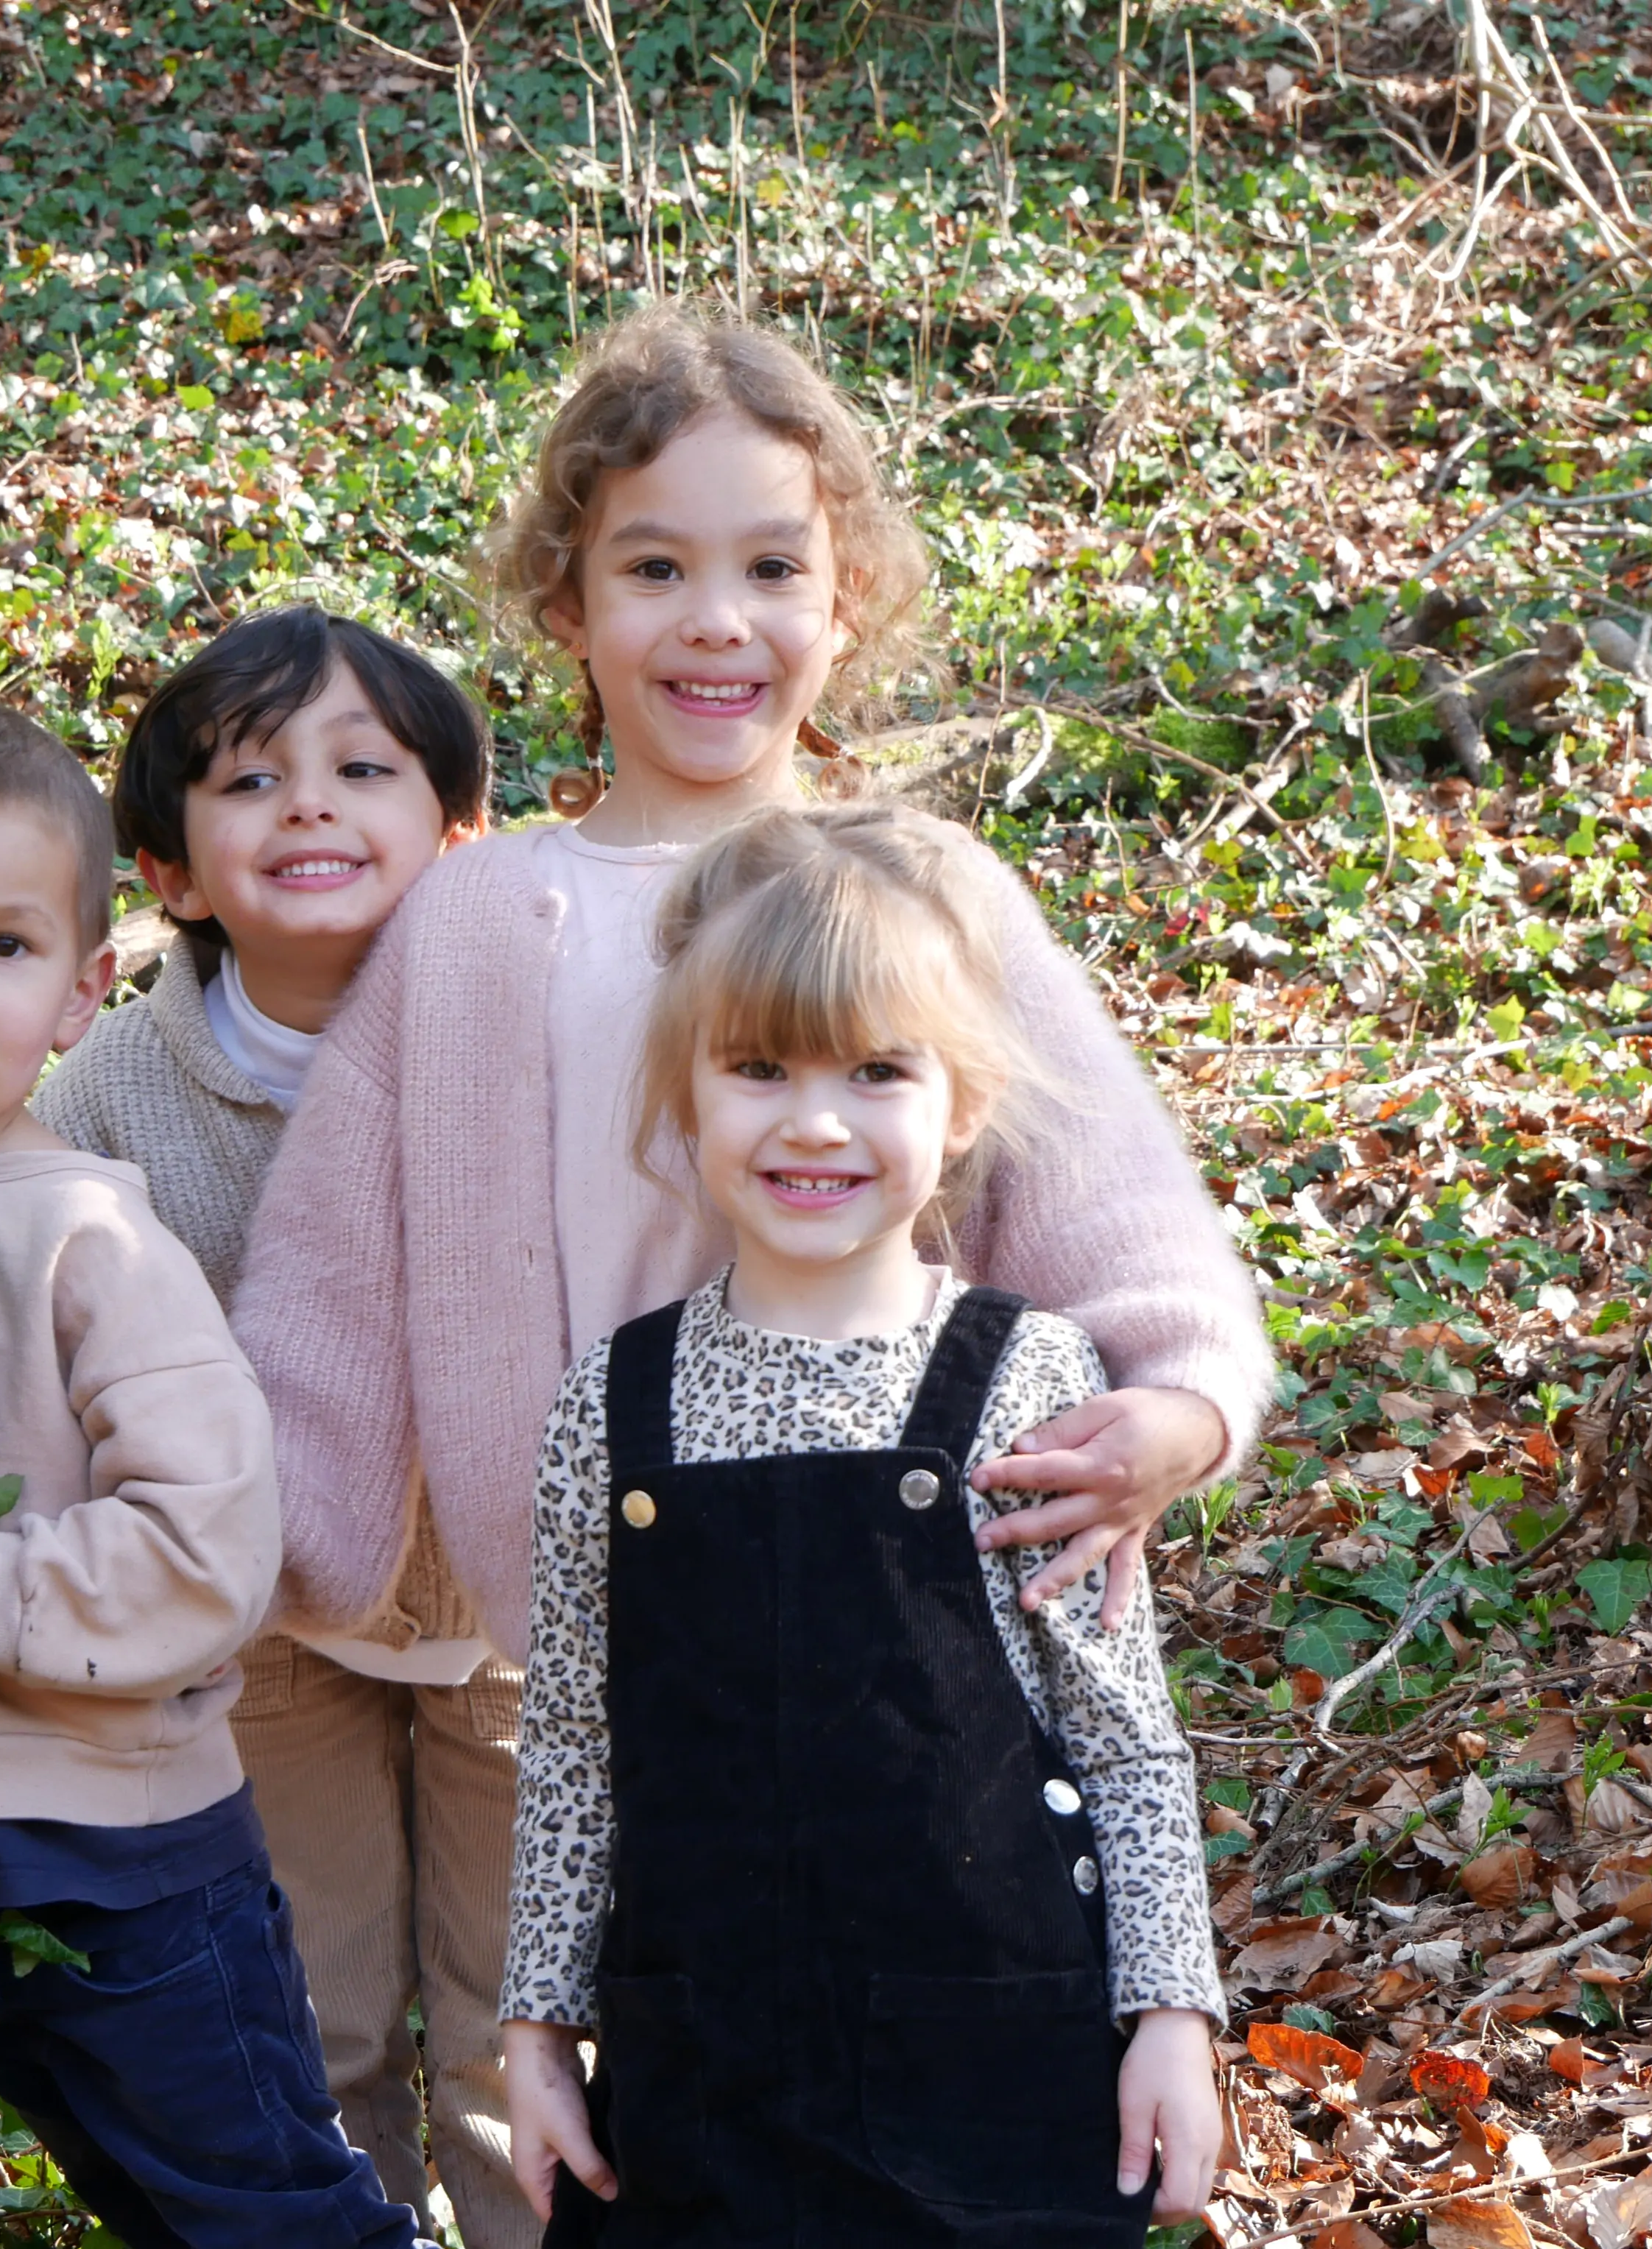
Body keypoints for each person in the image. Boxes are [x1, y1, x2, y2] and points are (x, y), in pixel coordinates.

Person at [234, 301, 1274, 1740]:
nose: (716, 618)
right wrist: (223, 1538)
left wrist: (1181, 1410)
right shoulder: (467, 926)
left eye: (773, 566)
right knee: (570, 1969)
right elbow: (324, 1289)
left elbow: (1122, 1212)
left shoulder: (929, 898)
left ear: (844, 602)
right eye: (653, 566)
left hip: (898, 1642)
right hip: (574, 1674)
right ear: (565, 603)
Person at [499, 801, 1226, 2249]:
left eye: (874, 1071)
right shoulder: (614, 1402)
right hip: (699, 2080)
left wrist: (1169, 2012)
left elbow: (1121, 1728)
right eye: (757, 1067)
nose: (813, 1118)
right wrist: (534, 2027)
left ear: (954, 1104)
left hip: (988, 2074)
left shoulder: (1022, 1374)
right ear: (685, 1095)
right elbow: (576, 1738)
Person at [0, 694, 439, 2249]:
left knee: (277, 2219)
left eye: (3, 948)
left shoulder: (92, 1239)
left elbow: (209, 1550)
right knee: (159, 2217)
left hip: (123, 1859)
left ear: (84, 992)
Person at [33, 607, 540, 2249]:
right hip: (259, 1628)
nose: (309, 805)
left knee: (520, 2021)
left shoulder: (534, 1032)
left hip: (512, 1612)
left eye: (362, 769)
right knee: (311, 2016)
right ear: (172, 870)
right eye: (252, 780)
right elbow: (26, 1305)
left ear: (456, 835)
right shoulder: (113, 1092)